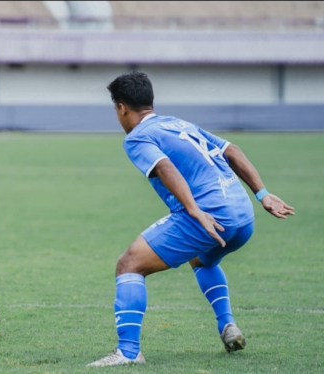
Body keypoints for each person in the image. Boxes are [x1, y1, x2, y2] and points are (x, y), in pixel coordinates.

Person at [87, 72, 295, 366]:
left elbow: (164, 167)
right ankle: (227, 326)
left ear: (121, 108)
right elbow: (231, 150)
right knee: (202, 259)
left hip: (209, 215)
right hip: (242, 214)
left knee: (129, 264)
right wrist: (263, 194)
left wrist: (194, 211)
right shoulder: (179, 123)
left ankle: (129, 353)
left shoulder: (138, 137)